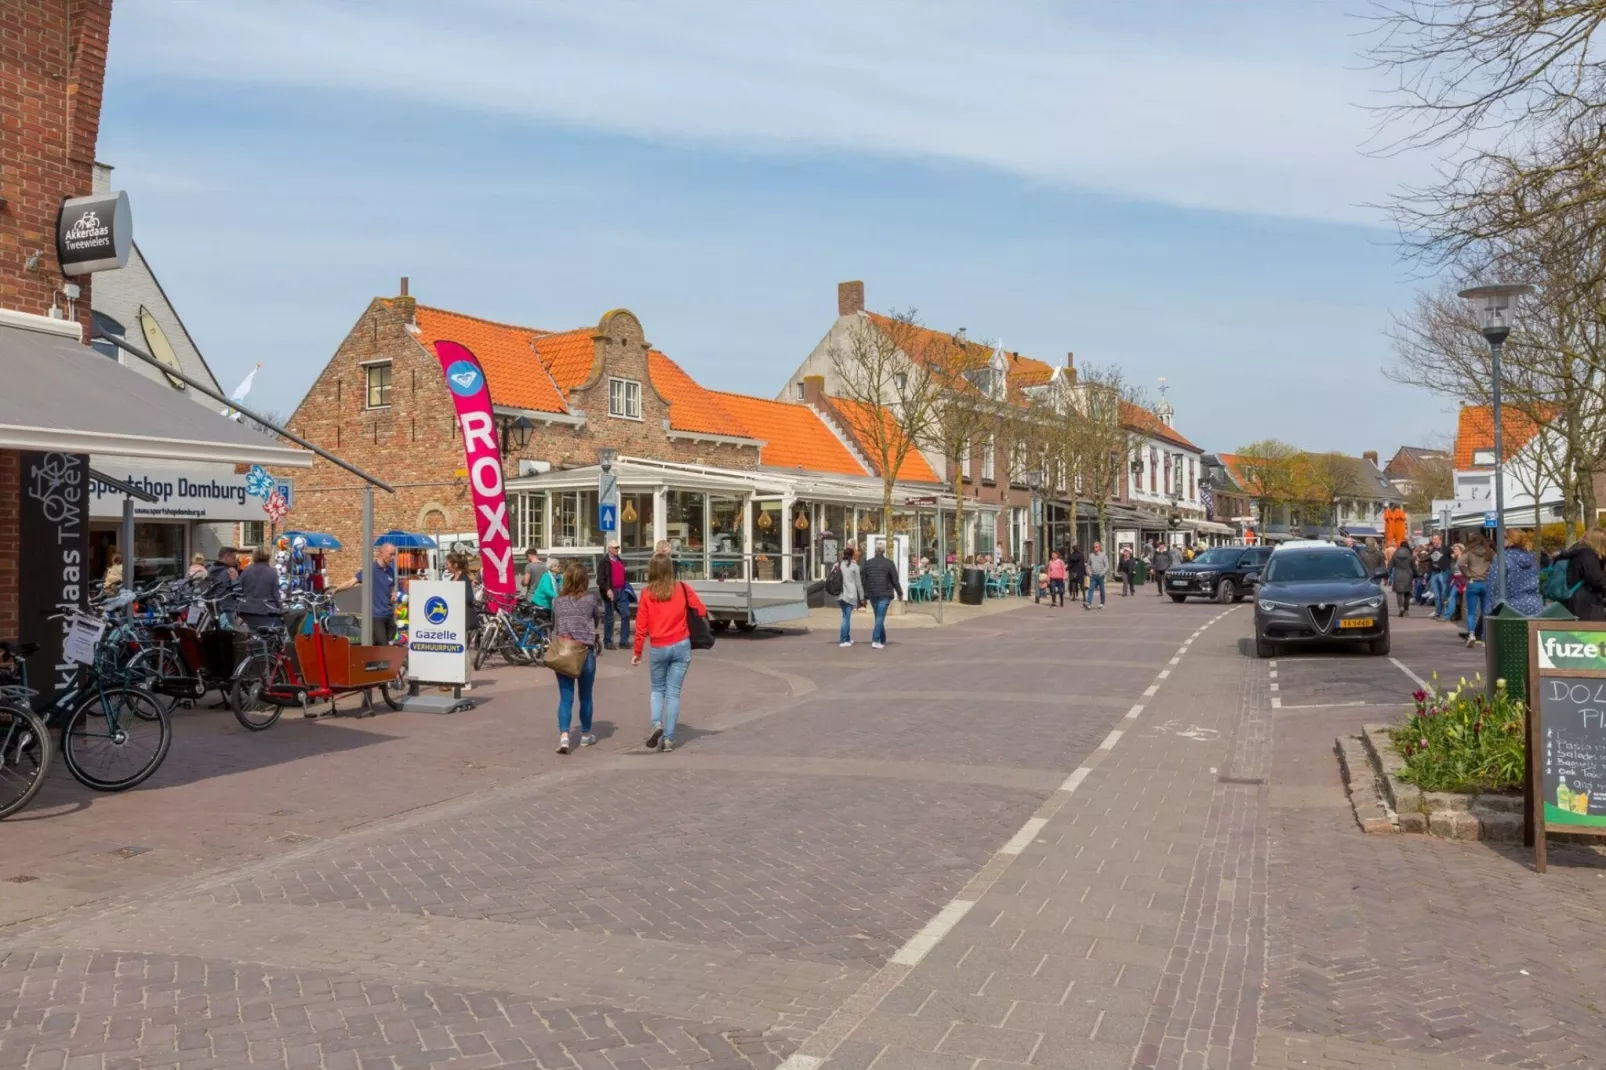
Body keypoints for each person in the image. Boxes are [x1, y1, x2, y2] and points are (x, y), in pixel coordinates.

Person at [632, 553, 709, 752]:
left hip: (658, 646)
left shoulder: (647, 593)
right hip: (681, 644)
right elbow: (701, 610)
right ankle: (668, 738)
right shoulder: (682, 588)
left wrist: (638, 651)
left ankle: (656, 723)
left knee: (657, 689)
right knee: (674, 692)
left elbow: (641, 625)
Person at [551, 560, 602, 754]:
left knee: (565, 697)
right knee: (586, 696)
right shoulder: (589, 600)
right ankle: (586, 734)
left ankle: (564, 736)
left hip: (564, 651)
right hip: (584, 651)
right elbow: (596, 619)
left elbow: (554, 624)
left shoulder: (557, 601)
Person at [331, 542, 399, 644]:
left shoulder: (390, 571)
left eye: (394, 554)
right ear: (381, 553)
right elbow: (351, 582)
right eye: (391, 554)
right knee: (383, 646)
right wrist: (336, 590)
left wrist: (393, 594)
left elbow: (391, 586)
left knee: (382, 644)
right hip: (376, 616)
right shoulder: (370, 570)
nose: (393, 558)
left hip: (389, 614)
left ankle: (372, 659)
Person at [1556, 528, 1606, 621]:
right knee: (1592, 631)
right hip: (1586, 602)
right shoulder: (1587, 555)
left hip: (1572, 598)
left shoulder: (1576, 550)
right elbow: (1597, 579)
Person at [860, 544, 902, 648]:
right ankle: (875, 640)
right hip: (885, 593)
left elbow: (864, 580)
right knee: (880, 617)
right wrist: (900, 593)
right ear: (884, 551)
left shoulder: (868, 563)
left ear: (875, 551)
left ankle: (882, 639)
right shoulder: (889, 563)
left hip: (873, 593)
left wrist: (864, 595)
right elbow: (895, 580)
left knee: (878, 616)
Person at [237, 546, 284, 633]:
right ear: (268, 557)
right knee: (268, 636)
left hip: (246, 610)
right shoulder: (272, 572)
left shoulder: (246, 571)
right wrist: (281, 608)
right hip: (266, 610)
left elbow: (239, 589)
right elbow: (276, 594)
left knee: (252, 634)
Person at [597, 542, 634, 650]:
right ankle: (608, 641)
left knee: (626, 615)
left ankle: (624, 640)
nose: (618, 549)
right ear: (609, 549)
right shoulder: (604, 562)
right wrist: (608, 589)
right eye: (615, 547)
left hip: (621, 591)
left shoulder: (619, 560)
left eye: (618, 547)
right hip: (610, 592)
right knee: (609, 618)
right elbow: (600, 580)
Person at [1459, 535, 1493, 646]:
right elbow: (1496, 565)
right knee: (1485, 611)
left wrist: (1468, 575)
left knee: (1471, 612)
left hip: (1473, 583)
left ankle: (1471, 634)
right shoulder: (1490, 553)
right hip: (1486, 583)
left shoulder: (1469, 552)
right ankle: (1484, 638)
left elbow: (1460, 564)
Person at [1504, 530, 1544, 617]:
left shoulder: (1503, 558)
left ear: (1509, 540)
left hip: (1511, 607)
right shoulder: (1532, 558)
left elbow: (1493, 589)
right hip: (1535, 605)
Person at [832, 546, 865, 648]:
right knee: (846, 617)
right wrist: (862, 596)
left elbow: (832, 577)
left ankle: (847, 638)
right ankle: (843, 640)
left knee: (845, 616)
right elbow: (858, 583)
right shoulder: (854, 567)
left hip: (839, 594)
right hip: (850, 595)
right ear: (852, 556)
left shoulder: (837, 564)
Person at [205, 547, 241, 621]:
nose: (235, 561)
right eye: (233, 558)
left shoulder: (210, 570)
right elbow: (238, 591)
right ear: (226, 557)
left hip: (212, 609)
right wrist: (235, 580)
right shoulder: (229, 571)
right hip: (226, 610)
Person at [1426, 535, 1453, 619]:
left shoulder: (1446, 549)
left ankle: (1445, 613)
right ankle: (1438, 612)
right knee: (1436, 594)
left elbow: (1453, 556)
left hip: (1443, 573)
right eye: (1433, 540)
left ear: (1440, 540)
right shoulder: (1432, 550)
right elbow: (1429, 559)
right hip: (1434, 573)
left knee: (1444, 594)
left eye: (1435, 539)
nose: (1433, 541)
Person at [1387, 541, 1416, 617]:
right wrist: (1416, 574)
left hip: (1398, 576)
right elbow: (1414, 567)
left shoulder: (1395, 554)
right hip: (1408, 576)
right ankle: (1406, 609)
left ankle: (1401, 607)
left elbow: (1390, 566)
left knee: (1399, 593)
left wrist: (1387, 573)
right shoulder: (1410, 555)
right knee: (1407, 593)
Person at [1084, 541, 1109, 610]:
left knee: (1102, 589)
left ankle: (1102, 603)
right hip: (1093, 576)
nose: (1095, 548)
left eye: (1096, 547)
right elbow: (1088, 564)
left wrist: (1102, 573)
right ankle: (1088, 603)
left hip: (1100, 576)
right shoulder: (1091, 555)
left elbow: (1107, 566)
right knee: (1090, 589)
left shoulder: (1103, 555)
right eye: (1094, 547)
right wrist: (1089, 572)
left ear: (1099, 547)